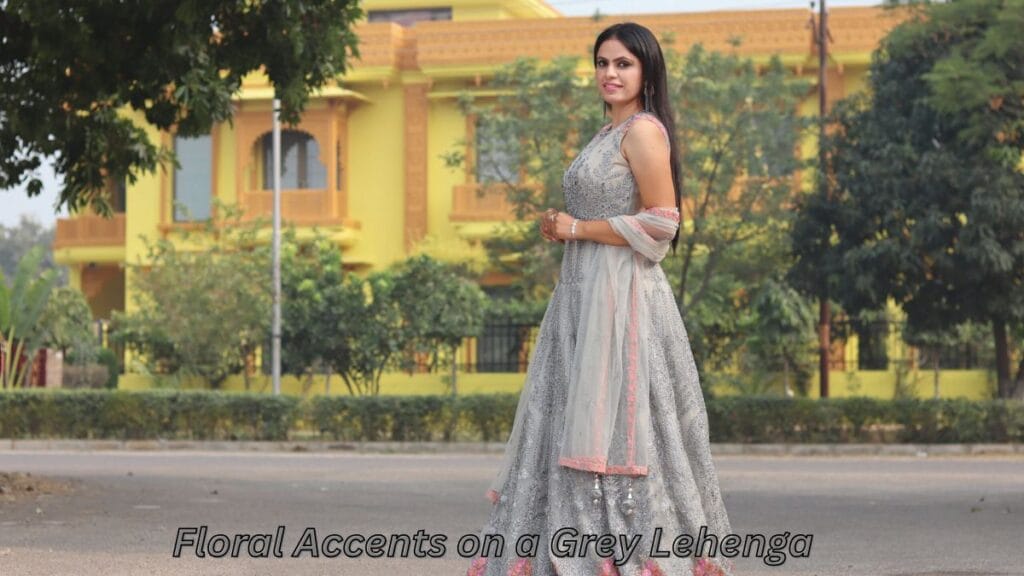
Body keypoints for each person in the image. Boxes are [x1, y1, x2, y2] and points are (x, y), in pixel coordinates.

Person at [465, 22, 735, 576]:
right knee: (566, 415)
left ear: (645, 73)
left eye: (624, 65)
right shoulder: (604, 133)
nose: (610, 74)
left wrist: (577, 230)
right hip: (582, 296)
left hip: (624, 298)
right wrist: (559, 226)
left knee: (623, 424)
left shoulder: (643, 131)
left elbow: (662, 222)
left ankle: (623, 557)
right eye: (602, 63)